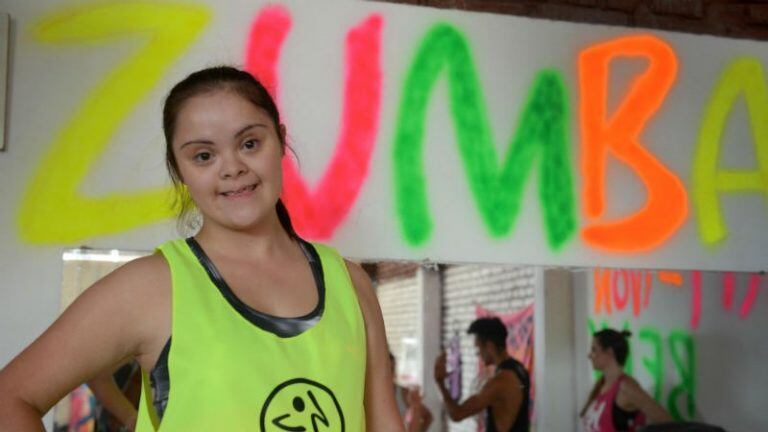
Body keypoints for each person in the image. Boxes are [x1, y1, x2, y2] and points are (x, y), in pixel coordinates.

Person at [0, 66, 403, 431]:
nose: (231, 168)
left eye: (249, 144)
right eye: (204, 155)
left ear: (280, 141)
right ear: (179, 169)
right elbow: (10, 400)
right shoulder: (151, 288)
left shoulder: (350, 283)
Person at [434, 317, 529, 432]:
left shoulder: (499, 382)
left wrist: (440, 383)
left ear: (489, 346)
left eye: (478, 348)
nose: (477, 354)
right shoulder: (519, 369)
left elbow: (457, 414)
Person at [581, 328, 672, 432]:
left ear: (609, 352)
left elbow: (667, 421)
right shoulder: (601, 384)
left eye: (594, 349)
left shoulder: (626, 387)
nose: (589, 355)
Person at [389, 352, 432, 432]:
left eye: (392, 369)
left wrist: (416, 407)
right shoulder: (373, 395)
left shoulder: (403, 392)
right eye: (387, 370)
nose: (390, 374)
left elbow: (428, 417)